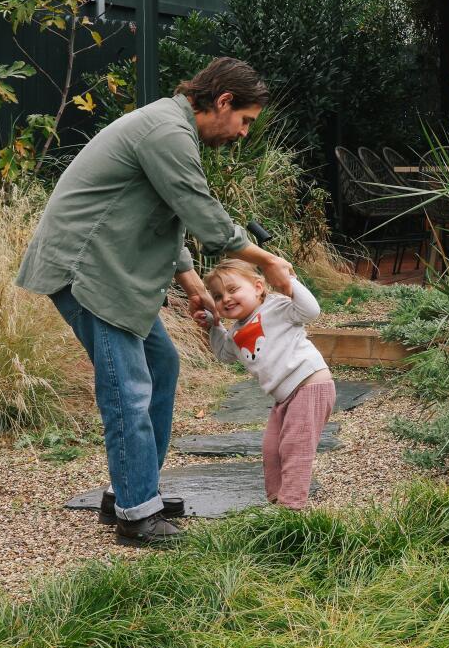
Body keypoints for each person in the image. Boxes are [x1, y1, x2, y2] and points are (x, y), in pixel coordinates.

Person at [17, 58, 294, 546]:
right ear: (223, 101)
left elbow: (170, 219)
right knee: (128, 388)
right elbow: (202, 213)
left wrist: (194, 288)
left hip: (109, 269)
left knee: (161, 364)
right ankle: (136, 512)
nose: (244, 133)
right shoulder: (166, 131)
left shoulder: (171, 127)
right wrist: (265, 260)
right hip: (87, 270)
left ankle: (129, 489)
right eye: (245, 120)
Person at [201, 258, 333, 510]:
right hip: (284, 397)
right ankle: (276, 502)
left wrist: (288, 281)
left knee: (295, 449)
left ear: (258, 287)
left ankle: (291, 509)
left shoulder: (277, 306)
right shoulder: (235, 332)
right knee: (272, 450)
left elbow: (311, 311)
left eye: (233, 290)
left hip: (310, 385)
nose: (225, 299)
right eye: (218, 296)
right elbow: (224, 354)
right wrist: (213, 325)